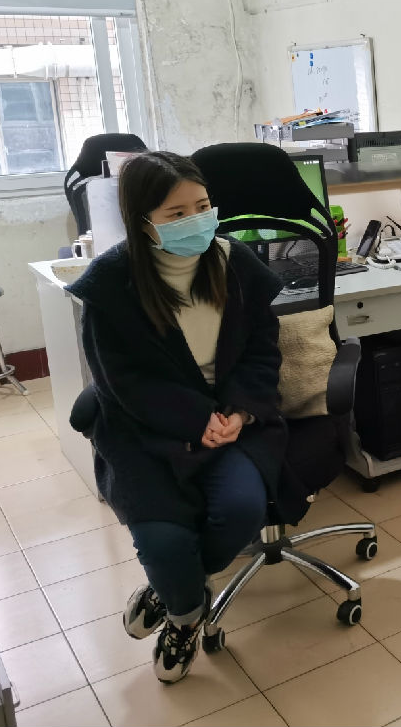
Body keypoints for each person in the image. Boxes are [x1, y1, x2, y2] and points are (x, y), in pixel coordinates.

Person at [67, 151, 296, 684]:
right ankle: (185, 615)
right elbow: (122, 381)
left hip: (233, 422)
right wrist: (196, 419)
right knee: (164, 539)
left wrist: (239, 411)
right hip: (144, 430)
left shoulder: (236, 265)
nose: (196, 221)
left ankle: (172, 588)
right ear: (142, 221)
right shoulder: (111, 283)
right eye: (176, 213)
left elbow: (263, 350)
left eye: (203, 206)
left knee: (241, 512)